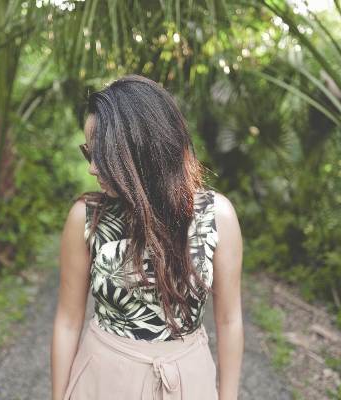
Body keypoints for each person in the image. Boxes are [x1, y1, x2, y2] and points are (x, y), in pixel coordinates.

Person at [51, 75, 243, 400]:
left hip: (188, 381)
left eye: (103, 154)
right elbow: (68, 323)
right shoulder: (86, 217)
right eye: (89, 153)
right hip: (102, 381)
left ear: (142, 149)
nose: (92, 169)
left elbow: (229, 320)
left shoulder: (217, 216)